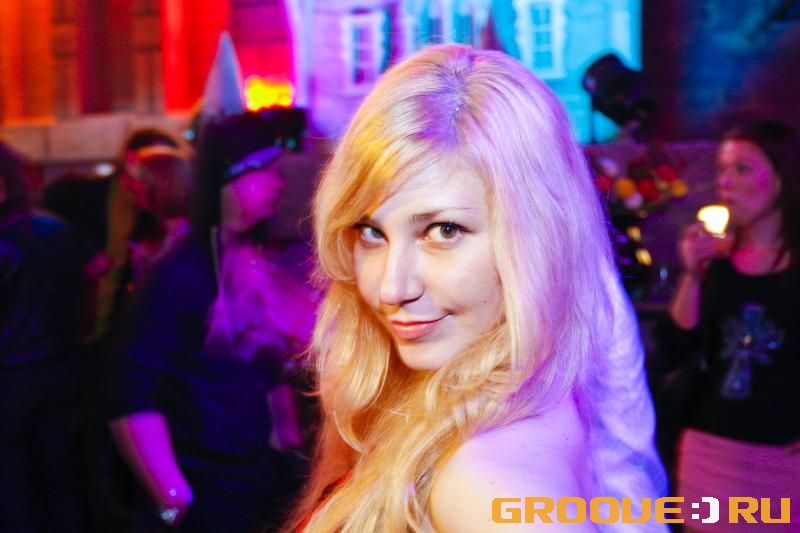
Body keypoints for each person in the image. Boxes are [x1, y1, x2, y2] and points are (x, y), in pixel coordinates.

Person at [290, 44, 666, 532]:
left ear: (536, 239)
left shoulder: (483, 482)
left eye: (443, 230)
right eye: (371, 232)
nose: (391, 287)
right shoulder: (508, 402)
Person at [107, 111, 316, 532]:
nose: (277, 182)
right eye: (262, 171)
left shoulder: (246, 261)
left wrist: (285, 438)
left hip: (254, 481)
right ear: (228, 181)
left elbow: (262, 361)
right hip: (206, 484)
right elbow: (130, 388)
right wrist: (172, 496)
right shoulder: (181, 272)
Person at [660, 120, 800, 531]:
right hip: (710, 454)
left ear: (781, 178)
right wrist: (692, 274)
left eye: (742, 169)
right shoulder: (716, 264)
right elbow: (673, 349)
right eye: (722, 170)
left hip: (784, 461)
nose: (725, 182)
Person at [0, 140, 86, 531]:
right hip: (62, 370)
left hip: (11, 379)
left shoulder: (7, 240)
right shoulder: (56, 229)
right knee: (63, 479)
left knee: (15, 484)